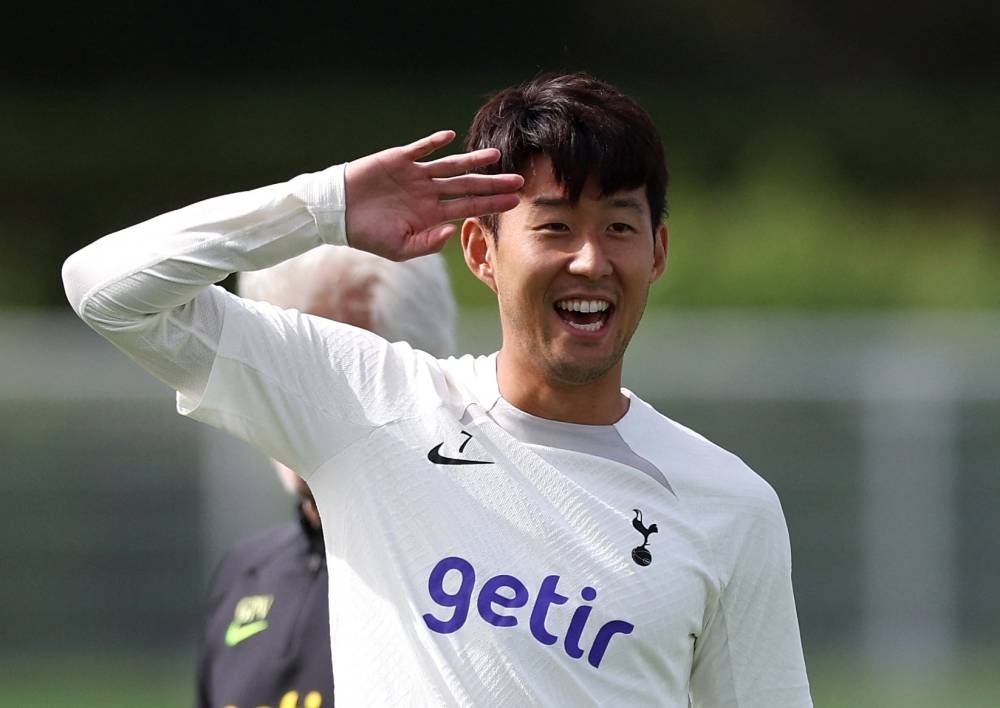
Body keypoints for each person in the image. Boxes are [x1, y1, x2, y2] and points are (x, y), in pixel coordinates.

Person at [63, 72, 812, 706]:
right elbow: (104, 287)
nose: (590, 261)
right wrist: (322, 207)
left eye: (619, 227)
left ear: (658, 252)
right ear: (482, 251)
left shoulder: (729, 508)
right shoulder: (370, 404)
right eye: (554, 228)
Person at [195, 246, 457, 708]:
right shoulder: (248, 572)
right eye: (280, 368)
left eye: (336, 372)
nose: (298, 400)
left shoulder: (479, 578)